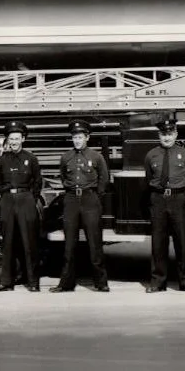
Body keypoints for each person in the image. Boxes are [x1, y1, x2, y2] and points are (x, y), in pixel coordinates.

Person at [51, 119, 110, 293]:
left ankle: (101, 283)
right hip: (70, 200)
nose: (77, 140)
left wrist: (93, 196)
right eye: (75, 137)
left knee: (94, 243)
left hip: (90, 200)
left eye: (80, 137)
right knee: (69, 244)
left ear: (87, 137)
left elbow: (104, 179)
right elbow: (63, 178)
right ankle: (66, 283)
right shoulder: (66, 157)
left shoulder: (96, 157)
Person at [144, 118, 185, 292]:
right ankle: (158, 281)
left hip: (178, 199)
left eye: (169, 134)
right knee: (158, 242)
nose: (166, 138)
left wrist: (183, 197)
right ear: (159, 135)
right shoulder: (151, 155)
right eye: (163, 134)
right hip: (158, 200)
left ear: (175, 134)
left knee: (181, 241)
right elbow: (148, 178)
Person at [0, 121, 43, 293]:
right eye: (11, 138)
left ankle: (33, 281)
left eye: (17, 138)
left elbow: (37, 182)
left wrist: (29, 198)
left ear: (23, 139)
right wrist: (6, 195)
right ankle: (6, 282)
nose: (13, 142)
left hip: (25, 199)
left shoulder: (31, 158)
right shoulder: (3, 159)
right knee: (8, 242)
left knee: (29, 242)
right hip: (8, 201)